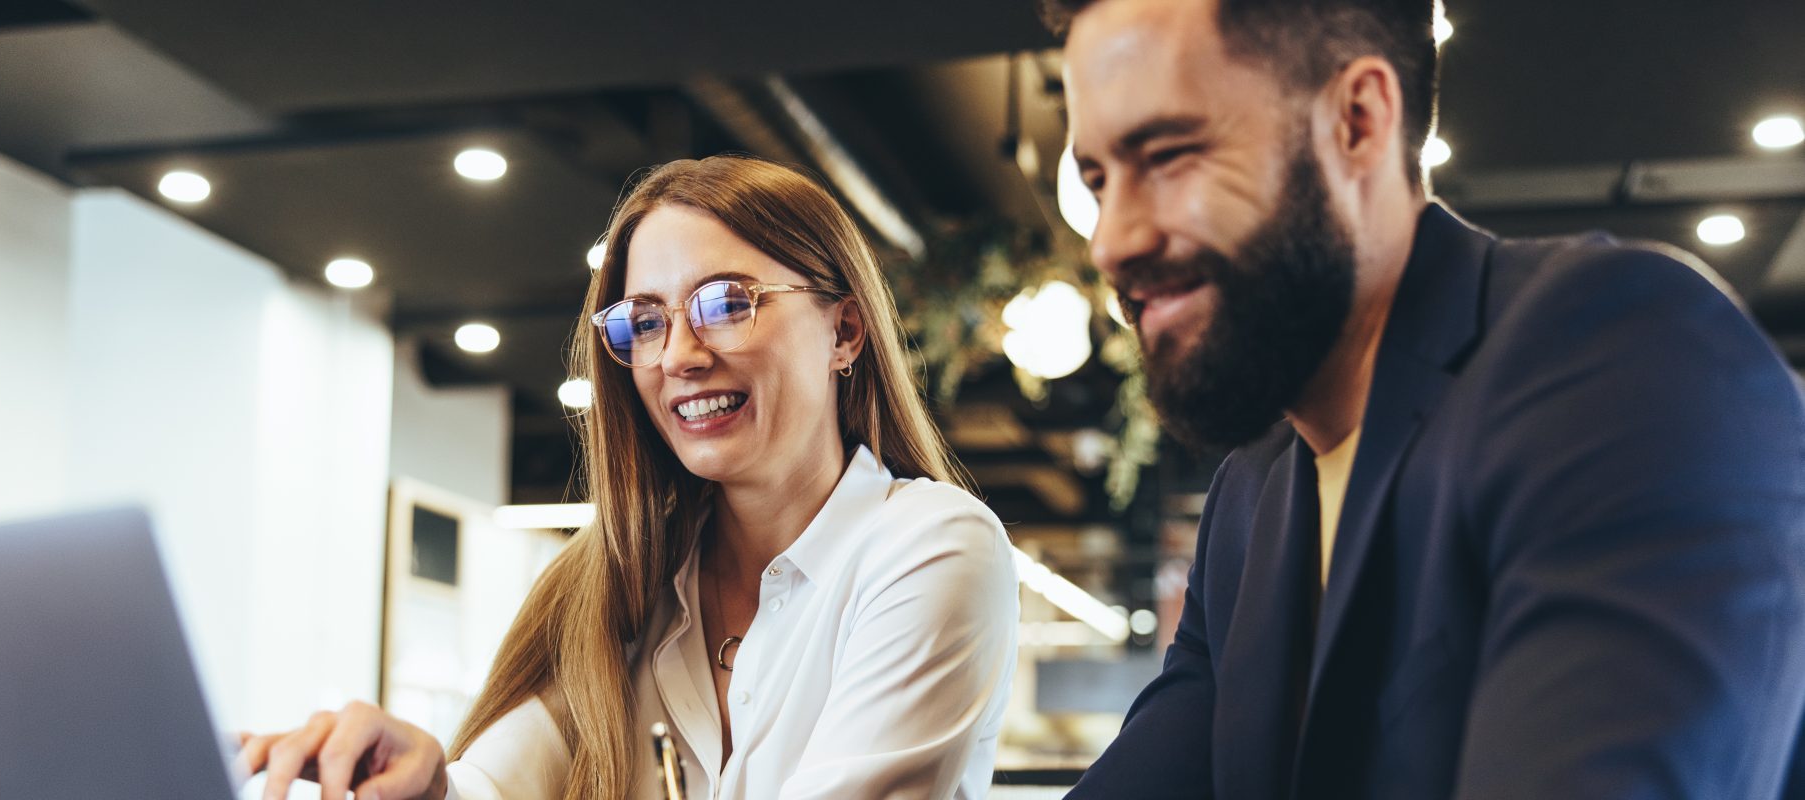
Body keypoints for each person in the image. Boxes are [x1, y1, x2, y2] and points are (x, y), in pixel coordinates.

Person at [1046, 0, 1805, 797]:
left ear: (1358, 121)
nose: (1111, 241)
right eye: (1097, 179)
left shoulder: (1626, 360)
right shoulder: (1251, 492)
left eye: (1168, 156)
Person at [235, 155, 1020, 800]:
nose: (679, 355)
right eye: (644, 321)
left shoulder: (931, 546)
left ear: (843, 330)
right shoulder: (620, 582)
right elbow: (498, 787)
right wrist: (424, 784)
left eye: (725, 303)